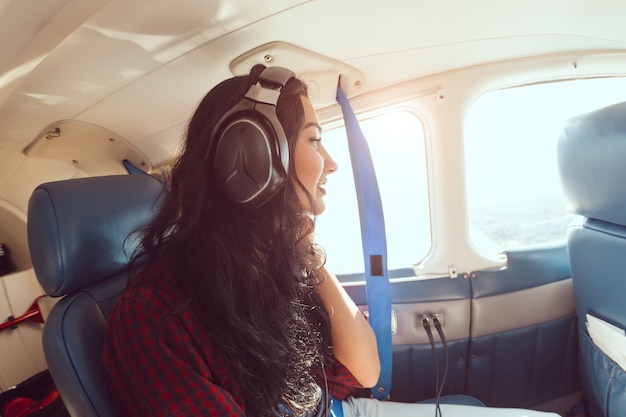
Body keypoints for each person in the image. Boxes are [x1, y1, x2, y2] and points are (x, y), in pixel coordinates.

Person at [102, 64, 559, 417]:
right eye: (315, 140)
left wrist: (310, 259)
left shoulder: (275, 263)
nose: (332, 164)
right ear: (255, 160)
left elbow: (366, 369)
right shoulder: (152, 319)